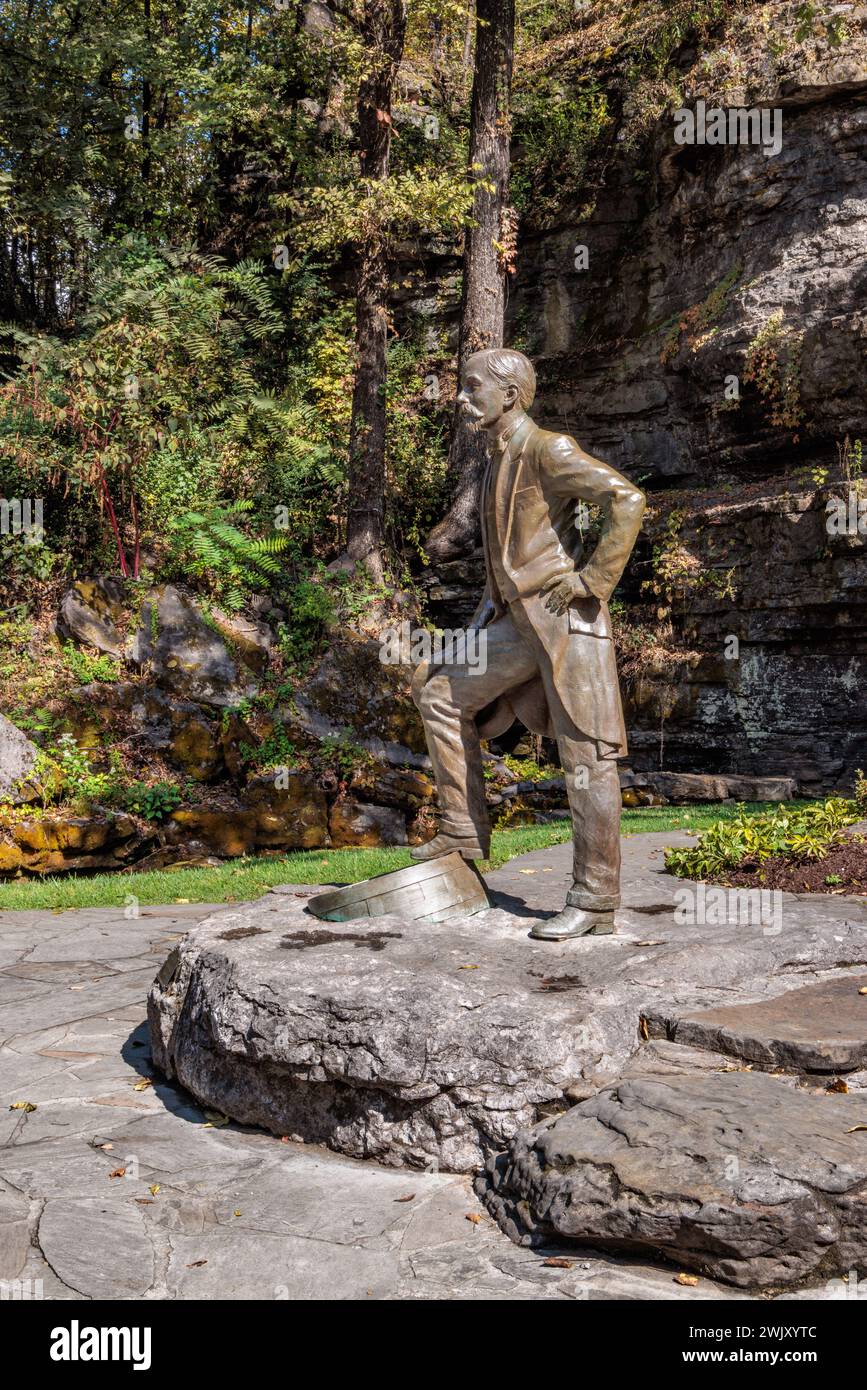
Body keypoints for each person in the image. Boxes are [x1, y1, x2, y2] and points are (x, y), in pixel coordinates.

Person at [411, 348, 645, 939]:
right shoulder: (496, 460)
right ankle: (462, 829)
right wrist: (480, 618)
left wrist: (593, 580)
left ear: (510, 394)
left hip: (566, 623)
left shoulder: (549, 448)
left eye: (471, 388)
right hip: (516, 624)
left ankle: (595, 900)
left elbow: (627, 500)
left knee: (586, 758)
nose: (461, 399)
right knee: (437, 688)